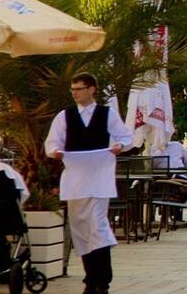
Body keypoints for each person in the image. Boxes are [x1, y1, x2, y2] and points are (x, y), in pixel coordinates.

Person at [43, 72, 130, 294]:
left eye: (79, 89)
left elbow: (125, 137)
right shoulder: (65, 116)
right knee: (81, 229)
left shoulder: (107, 114)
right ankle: (91, 278)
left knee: (98, 227)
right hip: (75, 179)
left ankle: (102, 279)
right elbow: (52, 143)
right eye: (72, 90)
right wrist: (55, 153)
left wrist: (120, 146)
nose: (75, 93)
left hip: (100, 178)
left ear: (91, 89)